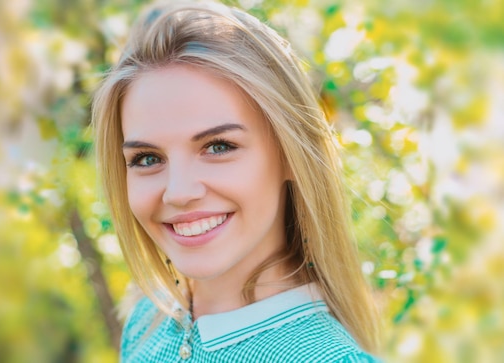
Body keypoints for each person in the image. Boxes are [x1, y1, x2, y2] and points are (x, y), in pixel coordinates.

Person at [93, 1, 381, 361]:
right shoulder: (149, 321)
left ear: (291, 153)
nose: (180, 192)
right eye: (147, 159)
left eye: (218, 146)